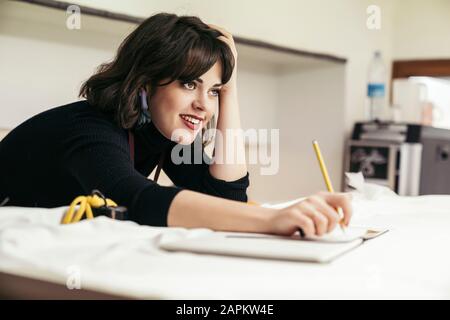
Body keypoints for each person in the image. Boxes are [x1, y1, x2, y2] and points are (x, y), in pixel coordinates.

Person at [0, 13, 352, 236]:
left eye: (213, 90)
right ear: (144, 82)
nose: (203, 104)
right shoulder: (89, 130)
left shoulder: (159, 130)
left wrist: (231, 88)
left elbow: (226, 197)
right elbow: (140, 201)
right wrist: (273, 220)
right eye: (189, 84)